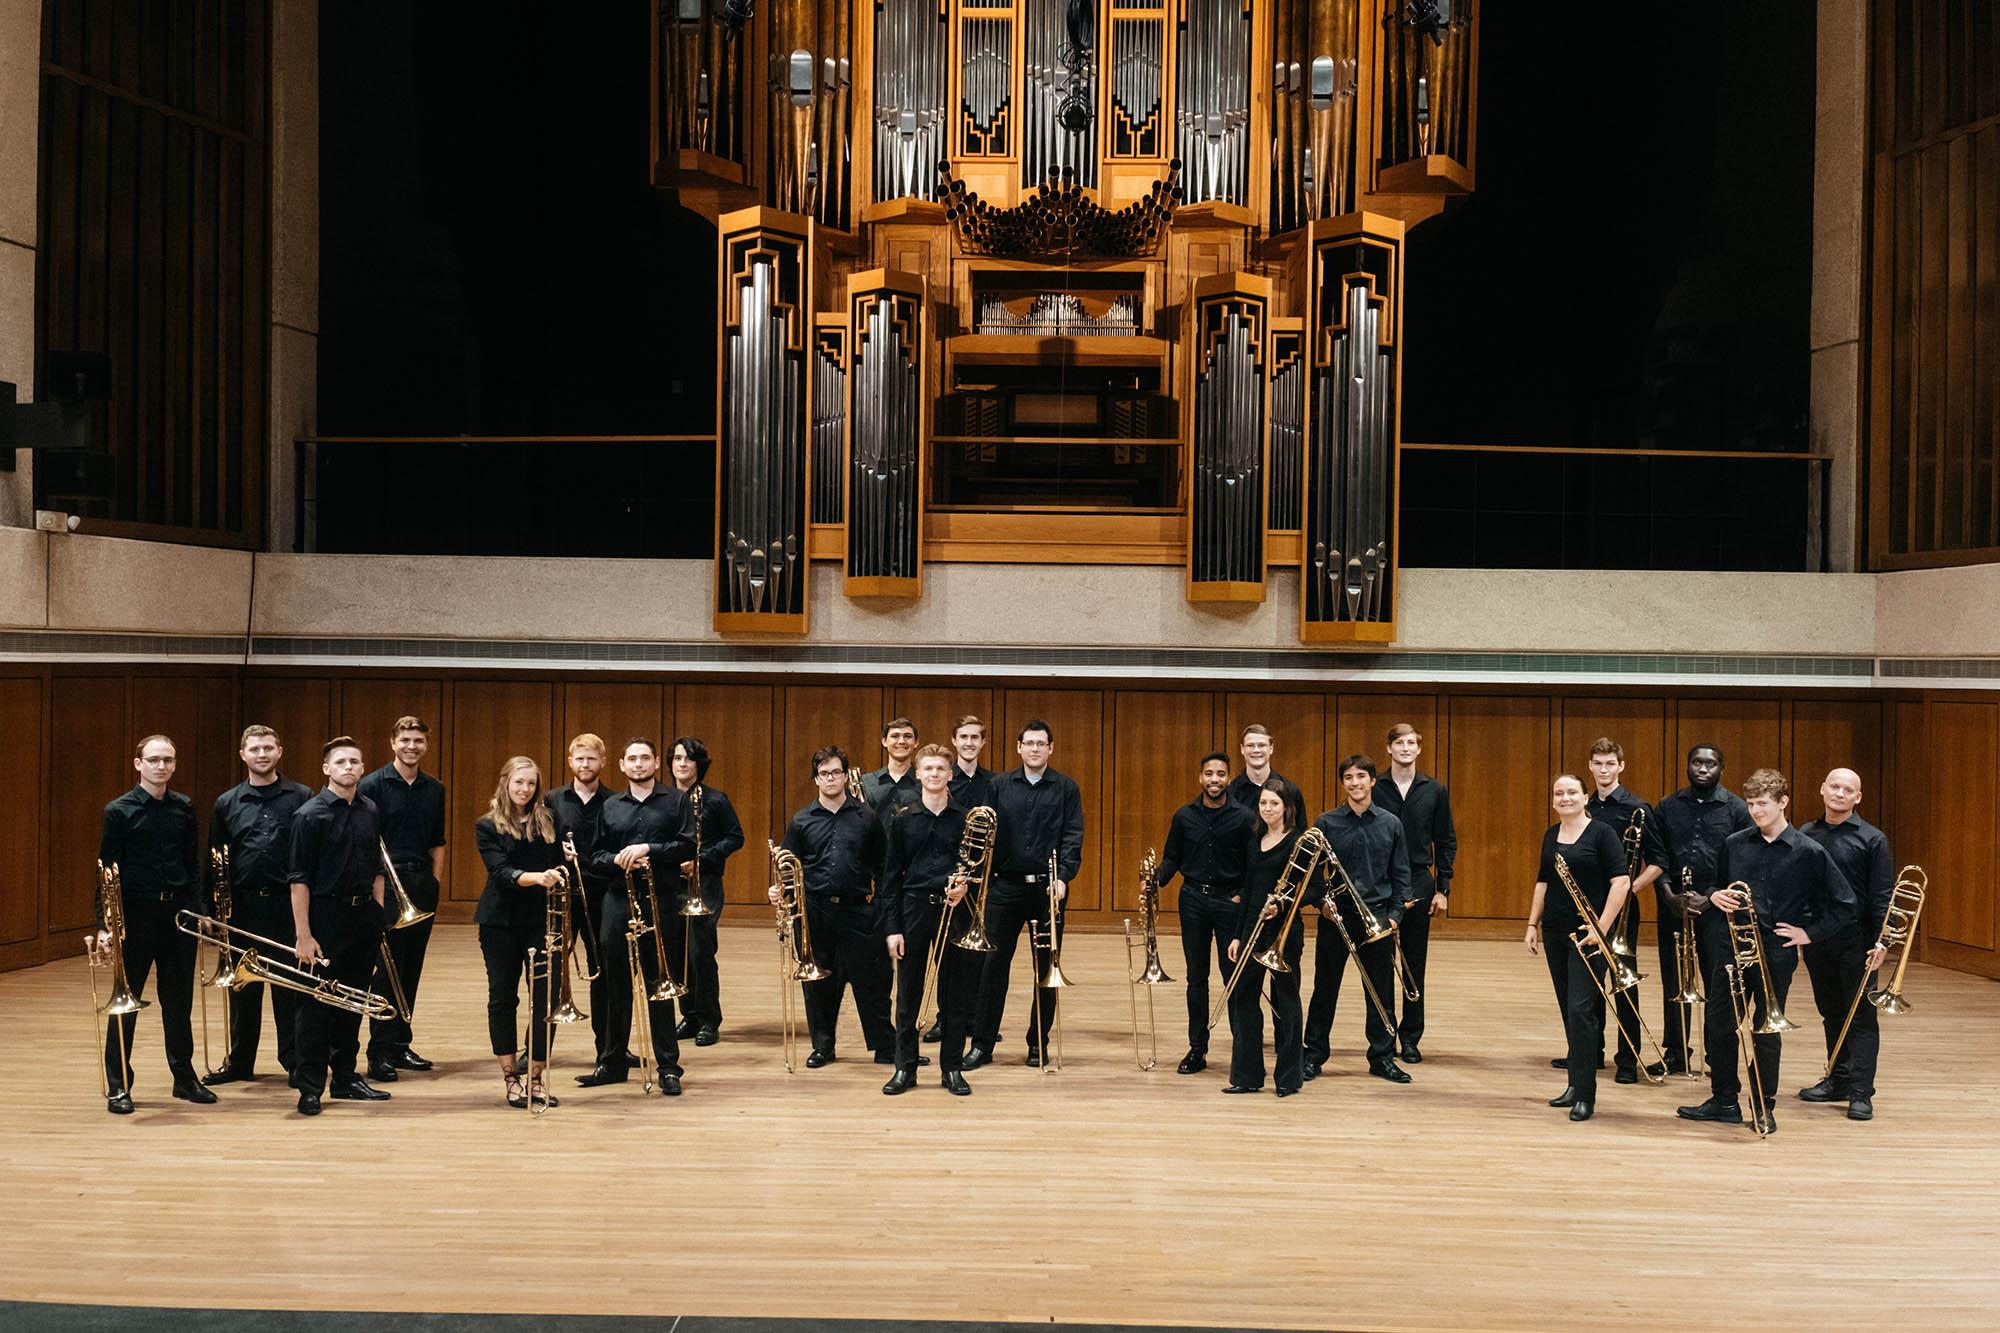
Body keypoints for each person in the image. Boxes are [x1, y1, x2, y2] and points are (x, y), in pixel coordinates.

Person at [1677, 768, 1856, 1136]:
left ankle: (1763, 1105)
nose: (1755, 811)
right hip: (1732, 948)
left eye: (1763, 804)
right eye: (1751, 804)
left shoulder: (1809, 851)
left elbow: (1845, 903)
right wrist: (1713, 896)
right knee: (1719, 1025)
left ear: (1782, 803)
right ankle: (1724, 1101)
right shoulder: (1735, 843)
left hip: (1776, 952)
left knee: (1765, 1028)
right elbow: (1713, 883)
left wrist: (1809, 933)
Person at [96, 734, 214, 1114]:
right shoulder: (119, 811)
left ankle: (184, 1078)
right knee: (124, 1005)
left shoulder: (184, 808)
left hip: (177, 918)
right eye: (153, 760)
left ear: (174, 764)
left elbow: (192, 867)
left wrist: (199, 911)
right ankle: (118, 1085)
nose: (161, 766)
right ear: (138, 764)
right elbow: (106, 870)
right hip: (135, 919)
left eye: (168, 760)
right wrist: (103, 924)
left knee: (178, 1004)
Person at [964, 719, 1085, 1069]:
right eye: (1028, 743)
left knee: (1046, 970)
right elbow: (985, 832)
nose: (1034, 749)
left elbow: (1073, 836)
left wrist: (1063, 877)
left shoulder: (1066, 788)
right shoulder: (999, 785)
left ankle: (1038, 1044)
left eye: (1041, 743)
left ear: (1050, 748)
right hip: (1004, 887)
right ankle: (982, 1045)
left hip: (1048, 890)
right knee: (992, 967)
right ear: (1019, 747)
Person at [201, 725, 313, 1087]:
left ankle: (296, 1061)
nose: (262, 754)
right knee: (243, 990)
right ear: (243, 755)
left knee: (290, 989)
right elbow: (214, 858)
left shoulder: (301, 796)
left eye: (268, 748)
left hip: (287, 905)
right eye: (255, 749)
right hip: (243, 908)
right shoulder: (227, 802)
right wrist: (211, 911)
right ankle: (240, 1062)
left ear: (280, 751)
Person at [286, 737, 392, 1116]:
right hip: (324, 919)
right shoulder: (309, 815)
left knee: (353, 1000)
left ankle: (345, 1077)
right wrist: (304, 935)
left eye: (355, 761)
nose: (349, 767)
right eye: (341, 762)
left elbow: (377, 866)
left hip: (363, 916)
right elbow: (299, 879)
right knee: (314, 1006)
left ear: (363, 769)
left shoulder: (370, 810)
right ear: (326, 769)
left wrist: (377, 912)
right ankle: (310, 1085)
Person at [774, 746, 896, 1065]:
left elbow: (883, 868)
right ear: (816, 778)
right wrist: (780, 892)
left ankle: (885, 1046)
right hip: (815, 911)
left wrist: (882, 911)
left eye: (836, 772)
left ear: (845, 775)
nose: (831, 779)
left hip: (858, 909)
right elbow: (790, 867)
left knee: (873, 981)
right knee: (820, 985)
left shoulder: (866, 817)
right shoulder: (801, 820)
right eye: (824, 773)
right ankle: (823, 1046)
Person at [1522, 774, 1632, 1123]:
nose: (1565, 798)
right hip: (1555, 932)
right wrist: (1531, 924)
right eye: (1559, 793)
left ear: (1585, 797)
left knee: (1583, 1010)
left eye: (1572, 792)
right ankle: (1573, 1084)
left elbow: (1622, 882)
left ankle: (1586, 1094)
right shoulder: (1550, 834)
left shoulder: (1602, 834)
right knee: (1569, 1010)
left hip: (1588, 934)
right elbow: (1543, 881)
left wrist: (1601, 929)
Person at [589, 737, 692, 1095]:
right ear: (621, 765)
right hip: (618, 901)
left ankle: (668, 1066)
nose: (638, 764)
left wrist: (650, 849)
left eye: (644, 757)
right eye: (631, 758)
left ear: (654, 763)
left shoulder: (677, 801)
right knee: (615, 985)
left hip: (661, 901)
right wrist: (617, 858)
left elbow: (688, 845)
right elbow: (596, 855)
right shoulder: (611, 806)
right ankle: (612, 1061)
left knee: (659, 985)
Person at [1642, 744, 1752, 1076]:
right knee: (1674, 980)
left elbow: (1741, 859)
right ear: (1688, 766)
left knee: (1716, 981)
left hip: (1717, 906)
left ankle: (1716, 1054)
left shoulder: (1736, 809)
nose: (1703, 769)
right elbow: (1656, 855)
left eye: (1710, 763)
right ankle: (1676, 1052)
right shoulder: (1667, 806)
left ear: (1721, 768)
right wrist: (1668, 894)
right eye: (1696, 763)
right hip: (1673, 903)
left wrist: (1710, 896)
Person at [1302, 755, 1413, 1084]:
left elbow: (1401, 874)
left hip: (1377, 915)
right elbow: (1311, 875)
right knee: (1325, 989)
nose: (1355, 783)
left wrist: (1395, 916)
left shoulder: (1391, 823)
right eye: (1348, 778)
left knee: (1381, 992)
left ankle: (1382, 1057)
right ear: (1343, 783)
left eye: (1361, 777)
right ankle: (1313, 1055)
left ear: (1373, 781)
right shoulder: (1327, 822)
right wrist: (1321, 903)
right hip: (1337, 916)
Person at [1796, 767, 1896, 1121]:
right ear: (1822, 789)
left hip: (1858, 941)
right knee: (1831, 1012)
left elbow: (1883, 896)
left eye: (1847, 789)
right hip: (1819, 938)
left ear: (1858, 797)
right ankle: (1837, 1080)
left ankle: (1860, 1092)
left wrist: (1884, 943)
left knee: (1862, 1017)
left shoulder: (1873, 839)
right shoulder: (1805, 834)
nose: (1839, 793)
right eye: (1834, 786)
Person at [880, 745, 977, 1096]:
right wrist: (892, 929)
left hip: (954, 910)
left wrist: (966, 888)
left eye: (941, 769)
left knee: (955, 994)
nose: (935, 774)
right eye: (929, 769)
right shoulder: (903, 819)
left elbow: (980, 872)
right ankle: (905, 1068)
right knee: (908, 993)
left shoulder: (965, 818)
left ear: (950, 775)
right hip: (914, 909)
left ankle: (951, 1068)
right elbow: (890, 877)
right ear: (918, 774)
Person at [474, 757, 567, 1109]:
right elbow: (501, 872)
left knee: (545, 1000)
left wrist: (564, 861)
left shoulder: (549, 821)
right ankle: (511, 1078)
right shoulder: (487, 825)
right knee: (503, 997)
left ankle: (538, 1078)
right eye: (519, 783)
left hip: (543, 921)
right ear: (505, 784)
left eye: (530, 783)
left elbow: (559, 860)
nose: (525, 789)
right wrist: (537, 877)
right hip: (500, 922)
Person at [1155, 752, 1257, 1076]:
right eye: (1209, 773)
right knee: (1196, 978)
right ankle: (1197, 1049)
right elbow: (1173, 858)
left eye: (1221, 774)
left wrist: (1244, 896)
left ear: (1228, 778)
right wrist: (1154, 878)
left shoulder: (1244, 817)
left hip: (1230, 903)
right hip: (1194, 901)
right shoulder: (1184, 816)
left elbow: (1252, 866)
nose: (1215, 779)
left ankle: (1243, 1051)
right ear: (1200, 777)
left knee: (1233, 978)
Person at [357, 716, 445, 1083]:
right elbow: (364, 840)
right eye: (405, 739)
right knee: (387, 972)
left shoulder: (434, 788)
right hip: (385, 886)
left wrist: (435, 884)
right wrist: (378, 896)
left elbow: (437, 841)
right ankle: (378, 1052)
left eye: (419, 741)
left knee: (411, 969)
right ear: (393, 742)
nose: (412, 746)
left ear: (426, 745)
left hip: (421, 882)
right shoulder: (372, 784)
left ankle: (399, 1044)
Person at [1224, 777, 1315, 1096]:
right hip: (1252, 928)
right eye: (1263, 803)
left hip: (1284, 933)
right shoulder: (1254, 840)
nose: (1267, 808)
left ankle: (1289, 1078)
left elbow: (1314, 888)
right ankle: (1247, 1076)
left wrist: (1284, 902)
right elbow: (1248, 891)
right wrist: (1237, 935)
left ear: (1287, 807)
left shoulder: (1300, 842)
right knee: (1244, 1001)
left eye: (1274, 803)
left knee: (1287, 1001)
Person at [1373, 722, 1456, 1064]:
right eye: (1399, 742)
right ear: (1389, 749)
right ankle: (1384, 1033)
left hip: (1420, 882)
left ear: (1418, 749)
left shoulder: (1433, 790)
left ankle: (1410, 1037)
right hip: (1380, 883)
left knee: (1413, 962)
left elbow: (1446, 840)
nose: (1405, 748)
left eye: (1411, 743)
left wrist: (1443, 888)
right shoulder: (1374, 787)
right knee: (1380, 961)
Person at [1583, 737, 1662, 1084]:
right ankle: (1590, 1052)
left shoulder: (1638, 808)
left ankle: (1628, 1059)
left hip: (1622, 907)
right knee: (1589, 982)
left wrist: (1633, 886)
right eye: (1598, 764)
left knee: (1623, 983)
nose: (1603, 770)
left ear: (1621, 766)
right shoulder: (1584, 805)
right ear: (1590, 766)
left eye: (1610, 764)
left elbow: (1660, 861)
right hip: (1588, 905)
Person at [547, 734, 625, 1084]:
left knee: (603, 975)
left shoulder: (615, 801)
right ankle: (536, 1050)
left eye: (592, 759)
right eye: (579, 759)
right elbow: (540, 843)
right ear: (570, 761)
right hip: (562, 896)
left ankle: (608, 1051)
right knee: (550, 973)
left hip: (601, 895)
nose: (585, 765)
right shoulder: (551, 800)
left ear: (603, 761)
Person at [670, 736, 745, 1046]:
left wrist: (701, 860)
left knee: (701, 951)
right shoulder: (663, 799)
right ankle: (688, 1014)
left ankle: (709, 1020)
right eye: (677, 758)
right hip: (671, 884)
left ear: (699, 765)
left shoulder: (716, 800)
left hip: (706, 883)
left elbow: (735, 837)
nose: (683, 764)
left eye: (689, 759)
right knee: (677, 953)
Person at [861, 717, 921, 813]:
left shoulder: (924, 782)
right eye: (895, 736)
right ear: (884, 741)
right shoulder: (867, 782)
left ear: (916, 743)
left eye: (908, 736)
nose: (901, 741)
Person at [1225, 723, 1285, 810]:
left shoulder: (1290, 790)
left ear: (1271, 748)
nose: (1256, 750)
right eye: (1250, 745)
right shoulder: (1230, 794)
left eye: (1261, 745)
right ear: (1242, 749)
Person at [948, 715, 997, 810]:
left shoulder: (994, 782)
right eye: (963, 737)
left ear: (982, 742)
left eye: (974, 737)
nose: (969, 743)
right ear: (954, 741)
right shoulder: (943, 781)